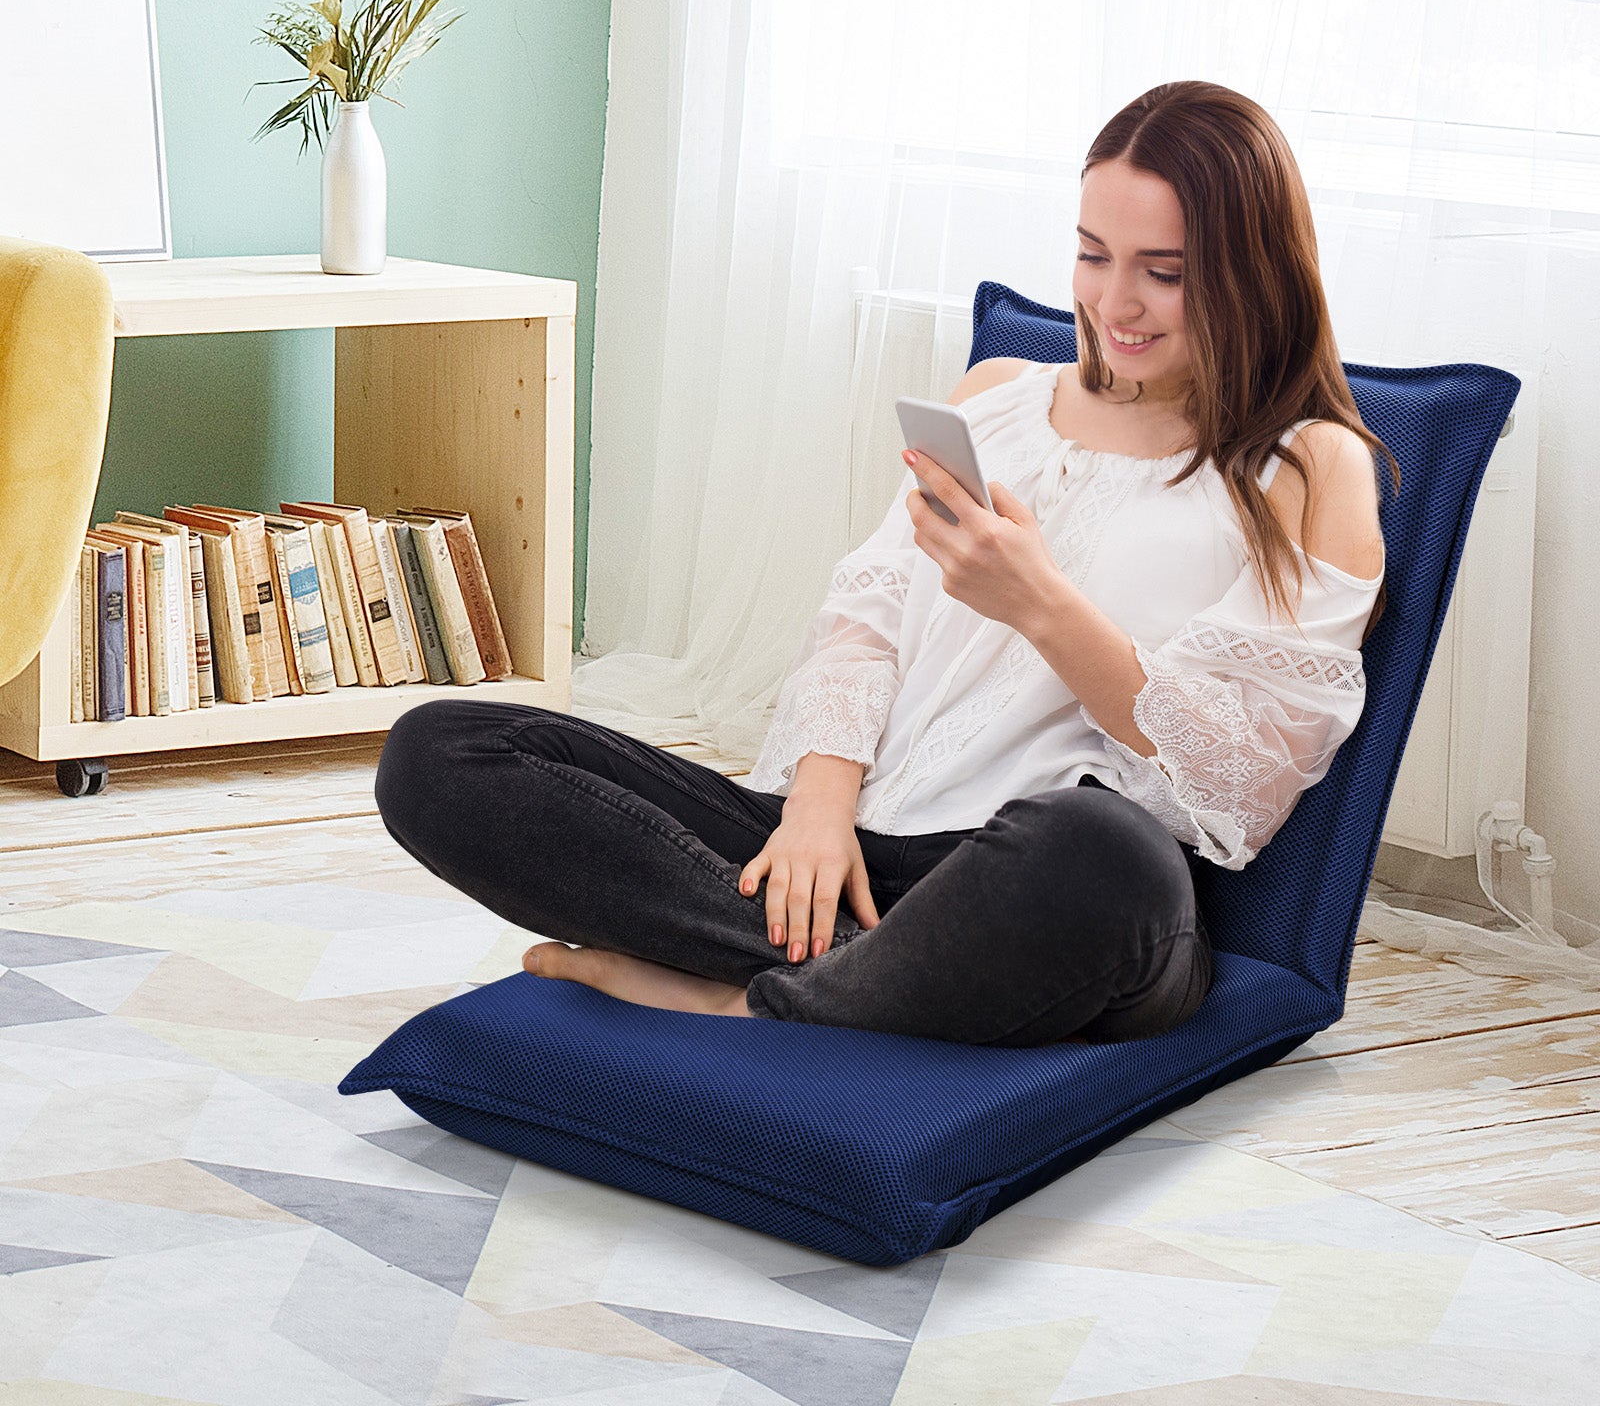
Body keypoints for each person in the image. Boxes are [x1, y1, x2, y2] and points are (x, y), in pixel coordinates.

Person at [373, 79, 1397, 1048]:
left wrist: (1043, 605)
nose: (1115, 301)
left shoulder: (1306, 466)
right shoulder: (997, 394)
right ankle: (847, 986)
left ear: (1251, 266)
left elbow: (1242, 783)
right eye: (1093, 255)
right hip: (864, 847)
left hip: (1043, 883)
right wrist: (819, 809)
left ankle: (743, 1005)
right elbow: (861, 626)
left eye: (1162, 272)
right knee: (442, 750)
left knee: (1104, 854)